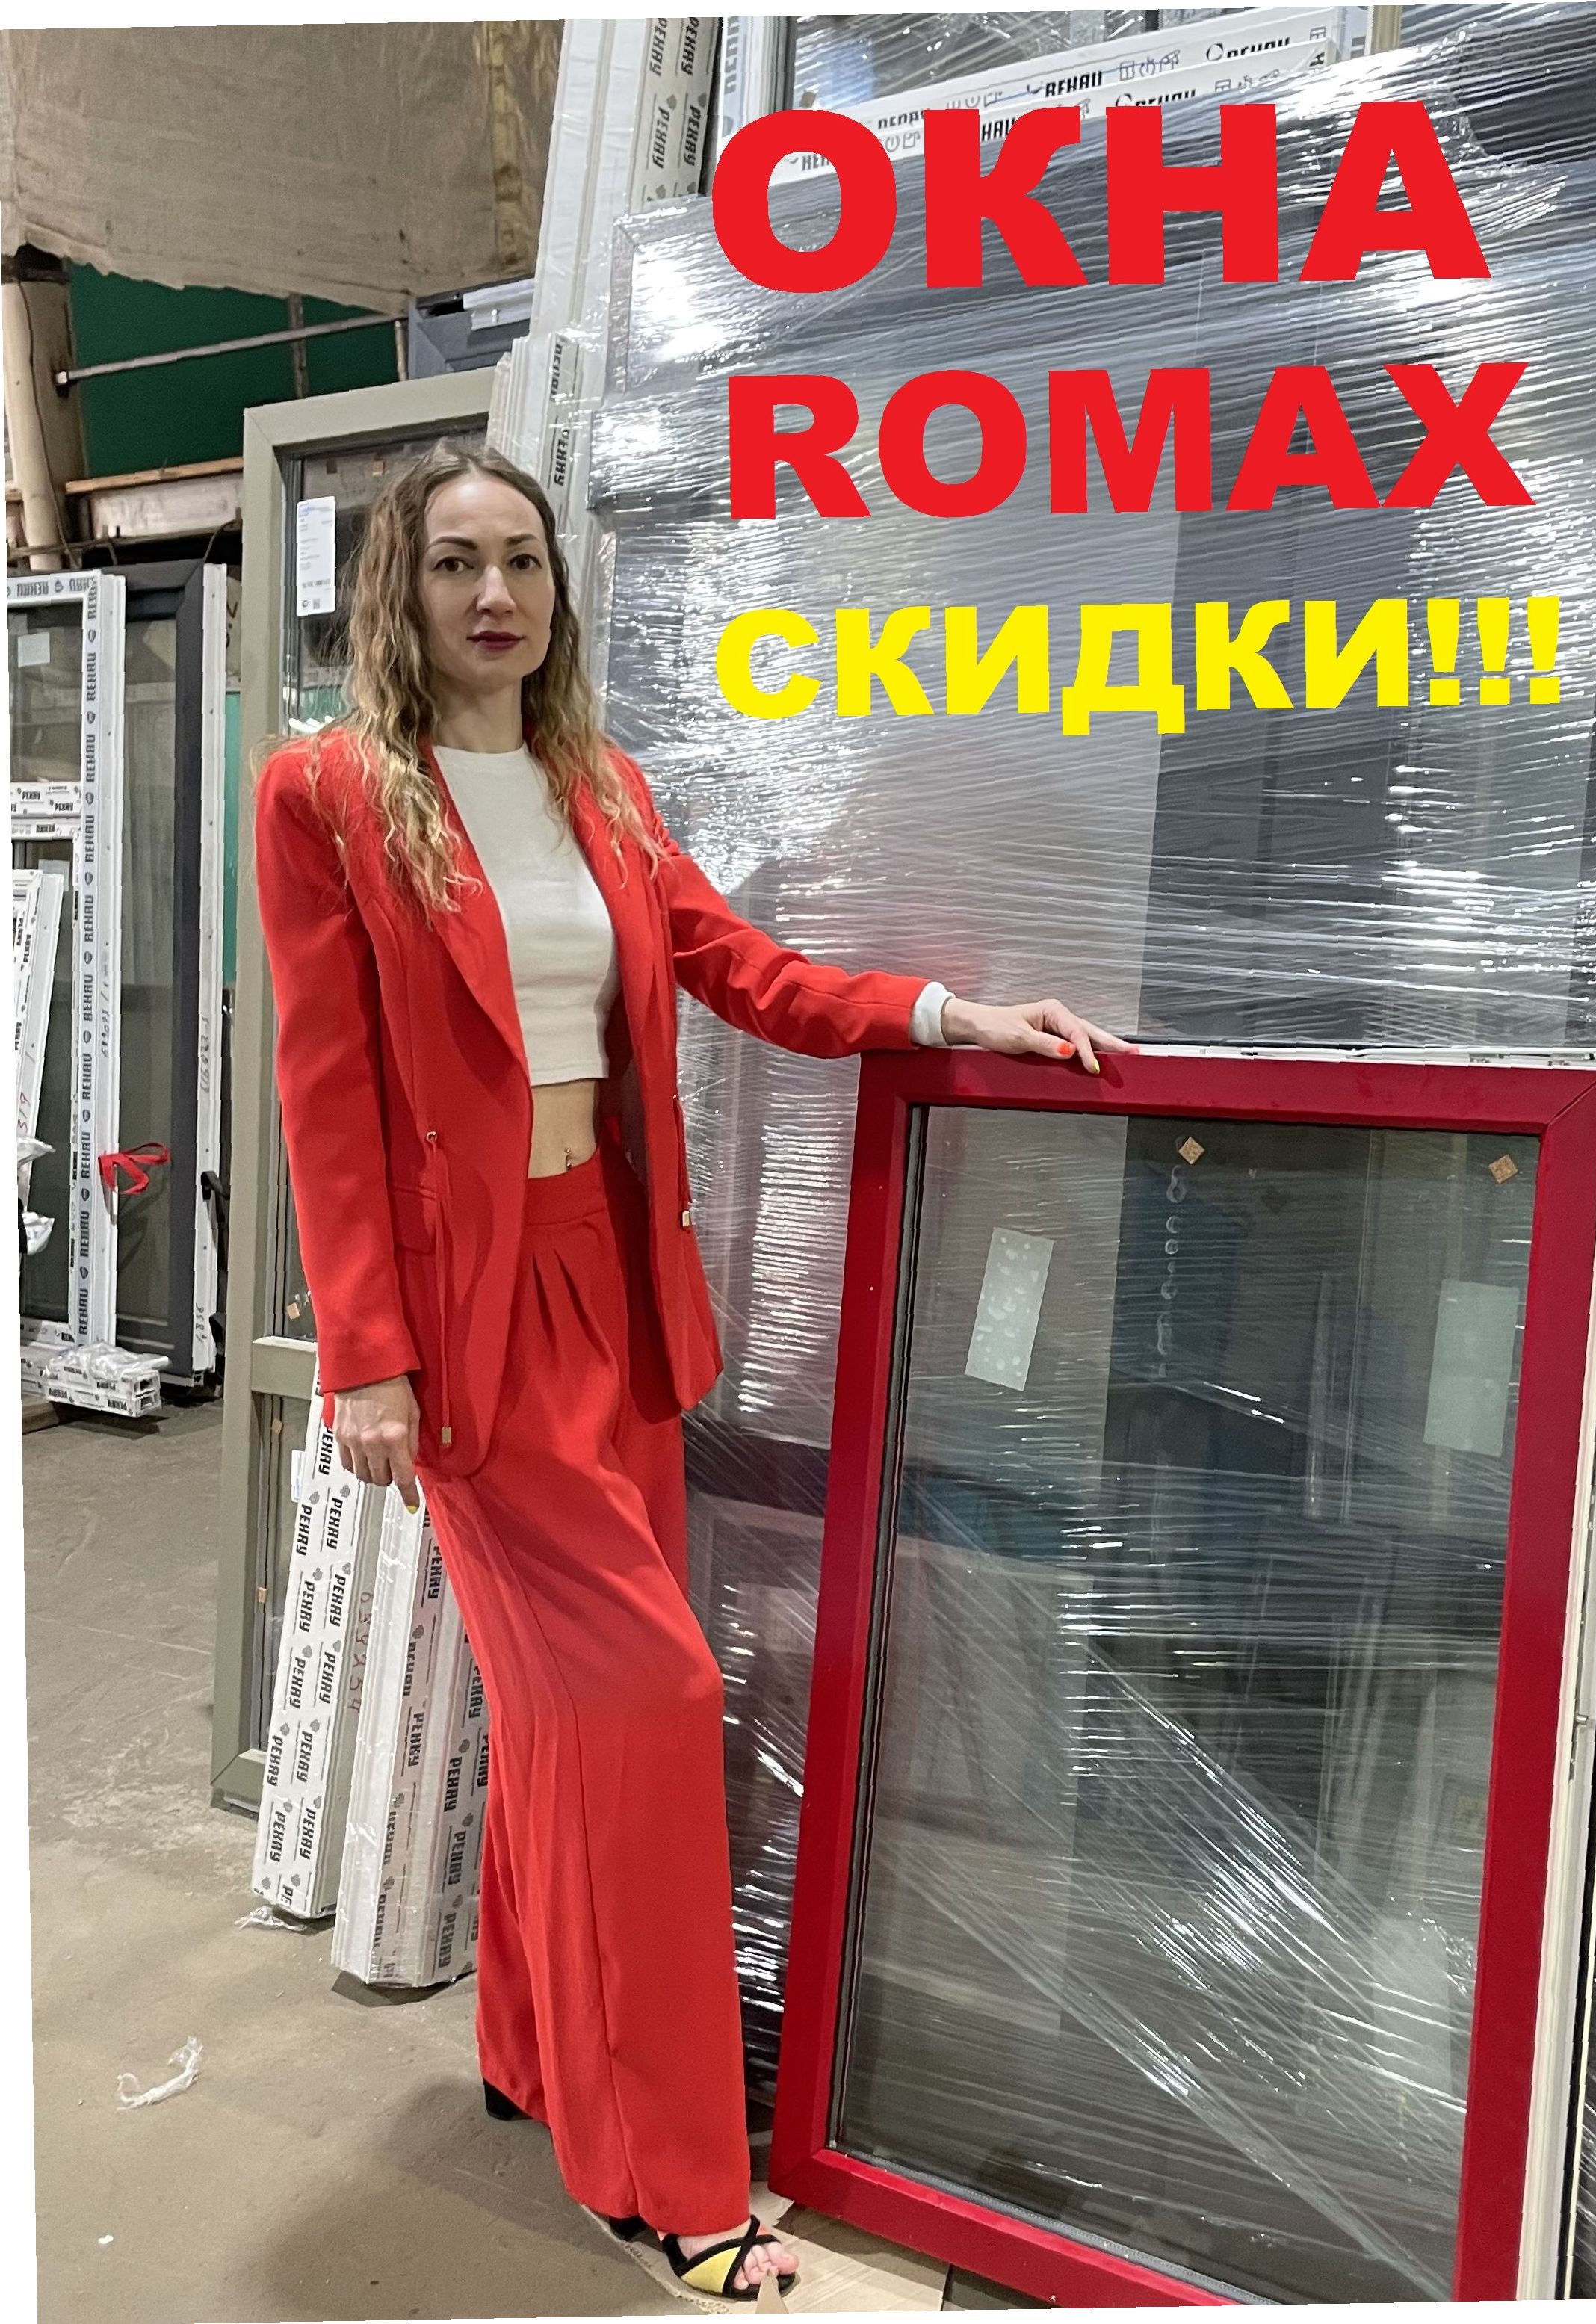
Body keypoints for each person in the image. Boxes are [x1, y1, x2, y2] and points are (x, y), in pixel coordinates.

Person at [253, 443, 1134, 2310]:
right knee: (648, 1703)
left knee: (566, 1715)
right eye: (455, 564)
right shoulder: (327, 793)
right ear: (399, 592)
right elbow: (323, 1089)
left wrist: (941, 1014)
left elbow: (735, 965)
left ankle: (530, 2048)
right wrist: (366, 1357)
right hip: (467, 1329)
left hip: (616, 1295)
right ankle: (663, 2173)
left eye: (522, 561)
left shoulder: (602, 784)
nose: (496, 596)